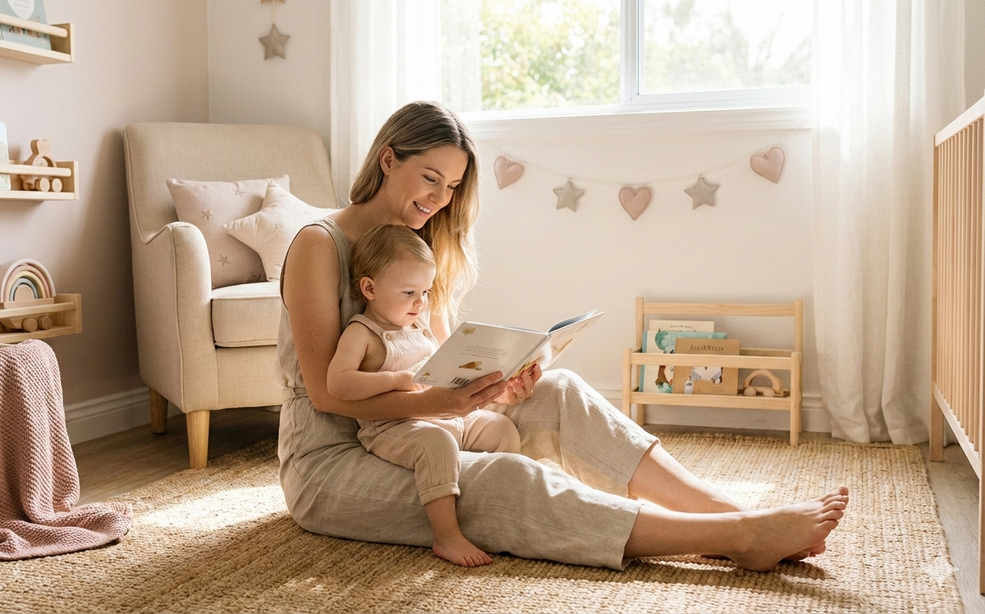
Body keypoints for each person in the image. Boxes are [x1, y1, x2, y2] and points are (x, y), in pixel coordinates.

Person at [277, 100, 848, 572]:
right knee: (503, 479)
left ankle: (729, 516)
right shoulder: (318, 245)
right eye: (430, 178)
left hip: (421, 422)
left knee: (562, 388)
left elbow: (444, 373)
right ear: (386, 159)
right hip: (335, 460)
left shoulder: (420, 252)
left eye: (450, 186)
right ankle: (740, 536)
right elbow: (329, 394)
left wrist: (499, 387)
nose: (439, 199)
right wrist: (446, 401)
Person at [326, 223, 521, 567]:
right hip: (392, 427)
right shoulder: (363, 332)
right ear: (369, 288)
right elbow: (338, 383)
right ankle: (446, 535)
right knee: (436, 445)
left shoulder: (418, 325)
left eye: (426, 292)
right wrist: (393, 380)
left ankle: (506, 495)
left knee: (499, 428)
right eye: (408, 293)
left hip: (442, 414)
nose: (421, 303)